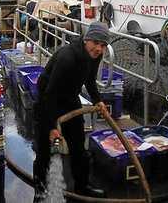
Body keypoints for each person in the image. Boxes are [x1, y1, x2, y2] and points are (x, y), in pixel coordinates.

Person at [33, 22, 110, 202]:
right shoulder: (67, 57)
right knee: (44, 153)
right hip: (47, 101)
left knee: (78, 148)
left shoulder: (95, 56)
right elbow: (50, 93)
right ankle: (40, 192)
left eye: (103, 45)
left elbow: (90, 80)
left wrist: (98, 101)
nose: (99, 48)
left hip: (70, 101)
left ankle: (82, 187)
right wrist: (52, 126)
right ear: (86, 40)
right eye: (96, 43)